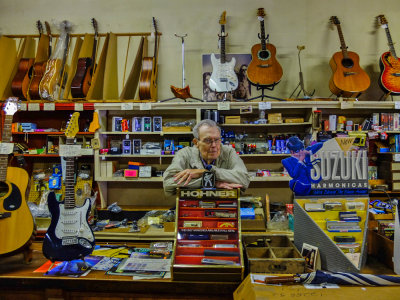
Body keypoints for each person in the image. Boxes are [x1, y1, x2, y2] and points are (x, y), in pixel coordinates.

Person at [163, 119, 250, 196]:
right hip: (193, 207)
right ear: (196, 142)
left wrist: (204, 172)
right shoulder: (184, 154)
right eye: (208, 140)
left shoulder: (228, 152)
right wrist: (211, 182)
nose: (214, 145)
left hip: (223, 205)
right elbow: (168, 183)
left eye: (217, 140)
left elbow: (244, 179)